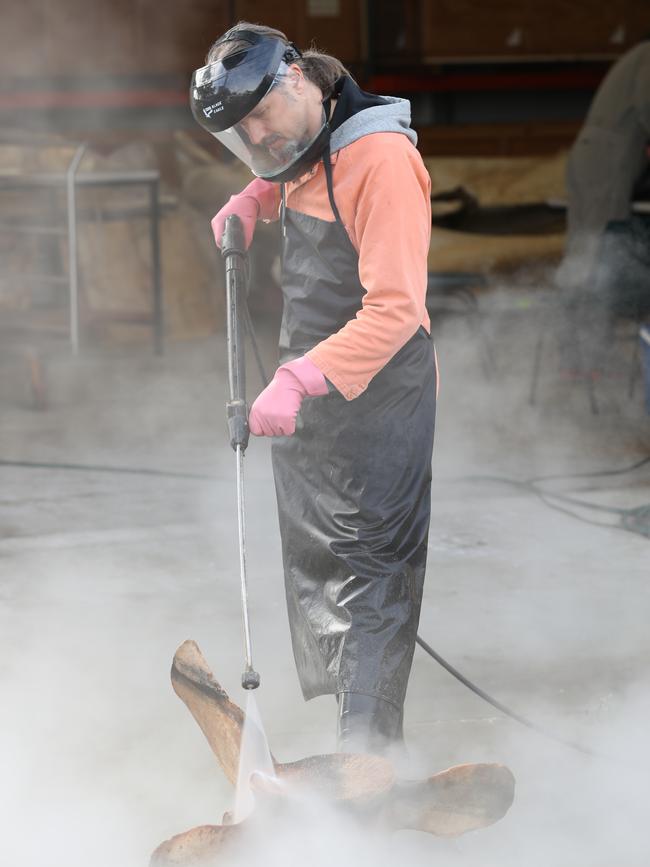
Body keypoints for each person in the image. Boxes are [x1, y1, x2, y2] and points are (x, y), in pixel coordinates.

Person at [190, 22, 437, 755]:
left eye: (260, 115)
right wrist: (252, 200)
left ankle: (369, 759)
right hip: (315, 396)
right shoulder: (302, 141)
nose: (259, 138)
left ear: (295, 73)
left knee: (372, 580)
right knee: (324, 566)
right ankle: (353, 740)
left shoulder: (382, 160)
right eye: (243, 134)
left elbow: (396, 308)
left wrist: (297, 376)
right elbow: (291, 170)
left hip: (380, 397)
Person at [556, 42, 650, 369]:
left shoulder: (639, 54)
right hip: (606, 163)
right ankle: (581, 354)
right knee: (593, 253)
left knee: (586, 251)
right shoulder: (648, 57)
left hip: (599, 157)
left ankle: (581, 351)